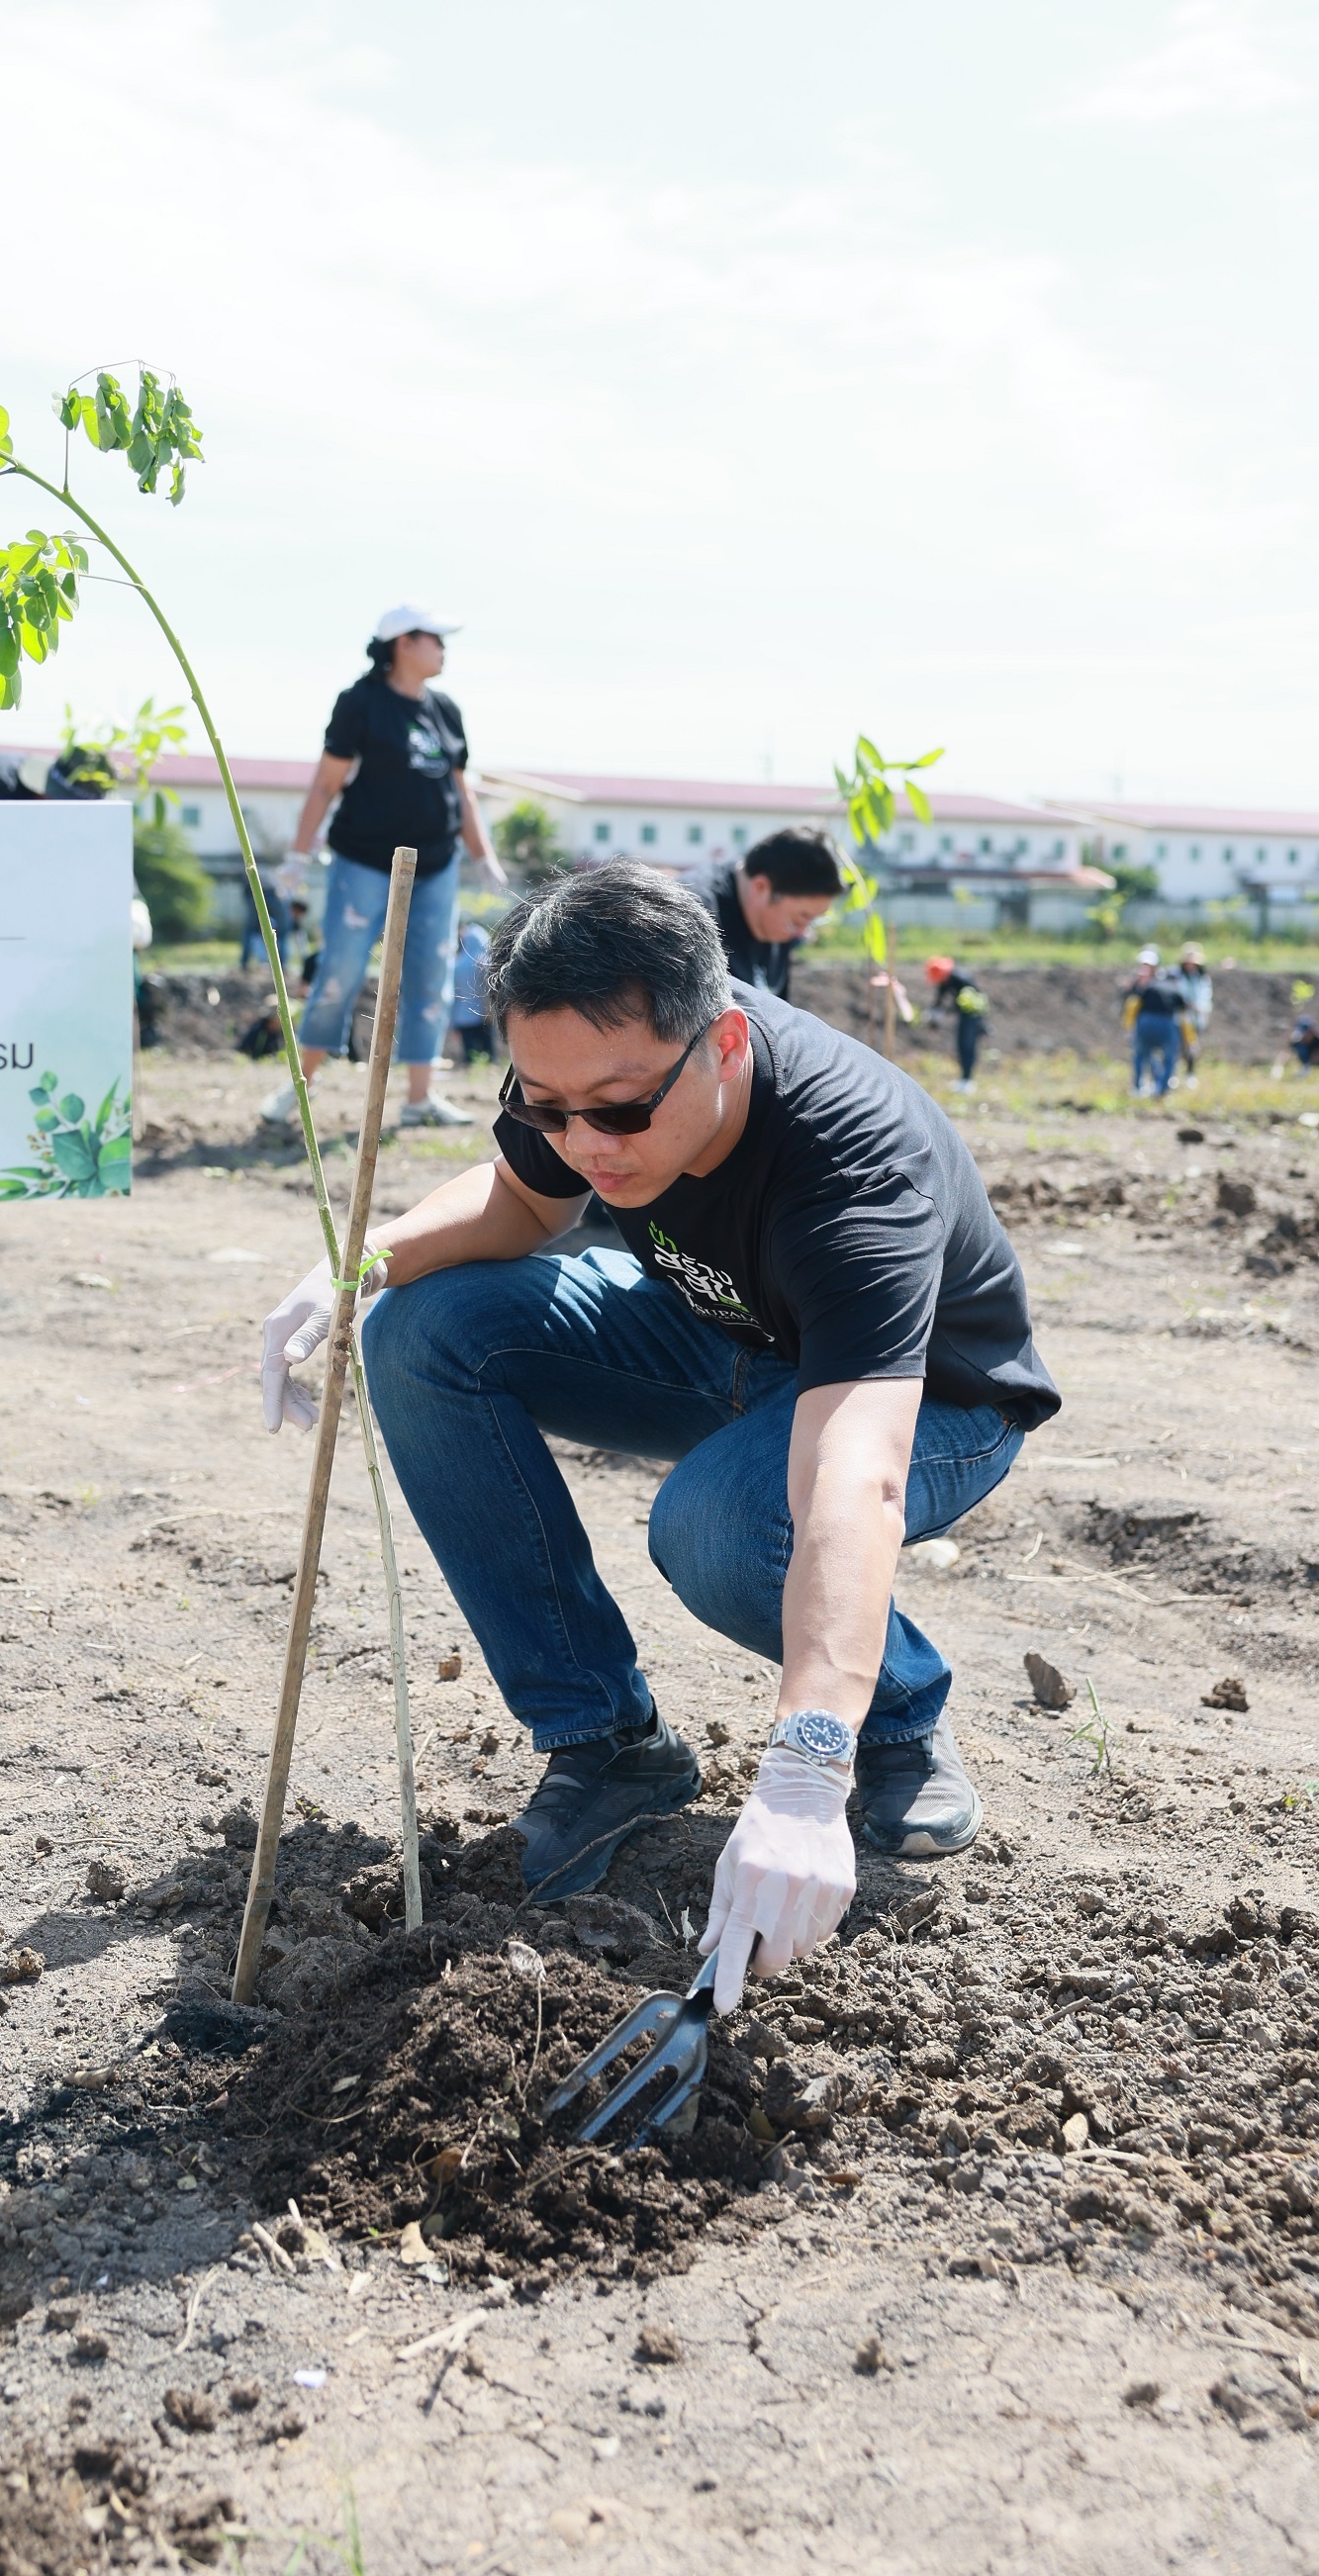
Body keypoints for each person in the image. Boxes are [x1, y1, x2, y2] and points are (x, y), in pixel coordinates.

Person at [258, 862, 1058, 2011]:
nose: (585, 1141)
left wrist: (802, 1766)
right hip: (719, 1336)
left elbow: (852, 1474)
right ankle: (609, 1744)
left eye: (619, 1110)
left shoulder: (851, 1170)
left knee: (722, 1528)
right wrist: (360, 1263)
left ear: (722, 1044)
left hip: (930, 1400)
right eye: (545, 1105)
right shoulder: (590, 1067)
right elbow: (522, 1203)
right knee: (422, 1329)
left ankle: (891, 1720)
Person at [259, 611, 507, 1134]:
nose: (443, 649)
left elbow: (461, 792)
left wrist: (483, 857)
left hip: (436, 865)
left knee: (431, 978)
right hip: (364, 862)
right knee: (340, 970)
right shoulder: (361, 703)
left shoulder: (445, 710)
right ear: (403, 644)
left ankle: (420, 1098)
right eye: (435, 639)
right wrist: (299, 854)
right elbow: (325, 783)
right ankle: (300, 1085)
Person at [680, 827, 844, 999]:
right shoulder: (692, 919)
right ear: (761, 887)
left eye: (813, 921)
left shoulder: (774, 916)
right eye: (798, 920)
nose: (802, 933)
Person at [1124, 948, 1186, 1099]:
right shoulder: (1175, 989)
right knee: (1169, 1057)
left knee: (1141, 1054)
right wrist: (1190, 1038)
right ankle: (1162, 1089)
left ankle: (1138, 1087)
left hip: (1145, 1021)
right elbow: (1184, 1014)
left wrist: (1129, 1027)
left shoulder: (1147, 986)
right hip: (1167, 1022)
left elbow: (1133, 1004)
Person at [925, 956, 989, 1086]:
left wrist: (982, 1023)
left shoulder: (961, 979)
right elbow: (940, 998)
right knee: (961, 1045)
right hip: (964, 1016)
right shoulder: (946, 980)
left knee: (967, 1045)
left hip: (971, 1016)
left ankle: (967, 1080)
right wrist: (934, 1013)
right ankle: (964, 1078)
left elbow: (974, 1000)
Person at [448, 921, 496, 1064]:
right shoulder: (484, 961)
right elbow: (487, 991)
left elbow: (453, 996)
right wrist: (490, 1011)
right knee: (488, 1056)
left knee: (469, 1058)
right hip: (482, 1016)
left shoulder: (456, 965)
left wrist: (452, 1022)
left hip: (462, 1018)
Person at [1178, 942, 1213, 1077]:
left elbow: (1206, 997)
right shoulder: (1178, 976)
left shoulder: (1202, 978)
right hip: (1181, 1016)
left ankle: (1190, 1073)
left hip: (1195, 1017)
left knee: (1192, 1046)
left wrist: (1198, 1008)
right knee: (1178, 1045)